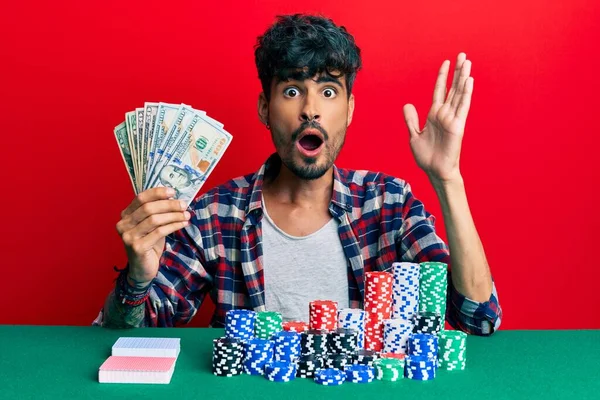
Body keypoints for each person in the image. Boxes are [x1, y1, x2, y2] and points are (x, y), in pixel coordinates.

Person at [95, 14, 502, 336]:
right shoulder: (213, 215)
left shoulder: (389, 204)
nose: (311, 109)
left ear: (350, 109)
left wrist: (448, 179)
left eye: (328, 91)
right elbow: (132, 334)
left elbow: (478, 318)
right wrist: (138, 276)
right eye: (292, 91)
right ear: (264, 108)